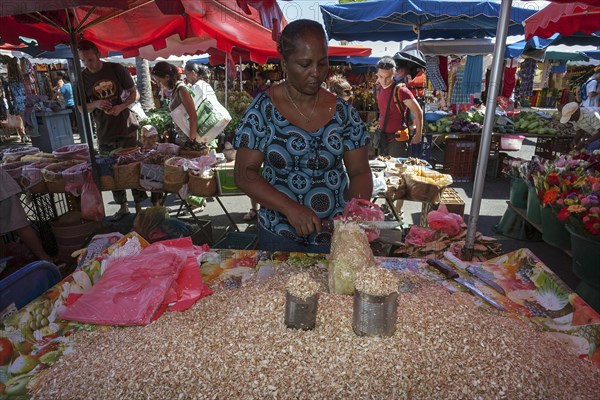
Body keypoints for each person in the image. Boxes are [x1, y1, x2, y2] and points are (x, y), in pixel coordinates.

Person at [233, 19, 373, 253]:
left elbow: (359, 171)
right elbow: (244, 174)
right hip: (279, 232)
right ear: (285, 64)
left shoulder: (343, 112)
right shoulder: (262, 110)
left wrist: (355, 214)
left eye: (322, 63)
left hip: (334, 234)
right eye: (305, 64)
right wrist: (290, 208)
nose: (316, 73)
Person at [77, 39, 149, 221]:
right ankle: (123, 207)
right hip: (104, 132)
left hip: (126, 128)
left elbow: (135, 93)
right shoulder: (82, 78)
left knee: (132, 169)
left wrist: (121, 106)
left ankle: (140, 207)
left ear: (98, 55)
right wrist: (95, 103)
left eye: (90, 60)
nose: (87, 64)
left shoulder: (116, 69)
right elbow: (80, 107)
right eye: (84, 61)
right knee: (112, 171)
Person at [374, 56, 423, 158]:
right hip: (382, 139)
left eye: (388, 77)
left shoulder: (401, 91)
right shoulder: (378, 88)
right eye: (381, 76)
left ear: (394, 74)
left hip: (398, 141)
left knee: (396, 172)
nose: (384, 80)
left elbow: (418, 112)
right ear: (377, 75)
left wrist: (418, 135)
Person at [0, 169, 53, 263]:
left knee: (21, 226)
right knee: (21, 226)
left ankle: (46, 260)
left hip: (3, 190)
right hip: (4, 189)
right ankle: (46, 260)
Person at [242, 71, 273, 221]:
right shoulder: (256, 94)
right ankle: (255, 208)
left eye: (259, 78)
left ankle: (264, 207)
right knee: (254, 175)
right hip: (259, 140)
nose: (256, 80)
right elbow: (244, 175)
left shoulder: (270, 92)